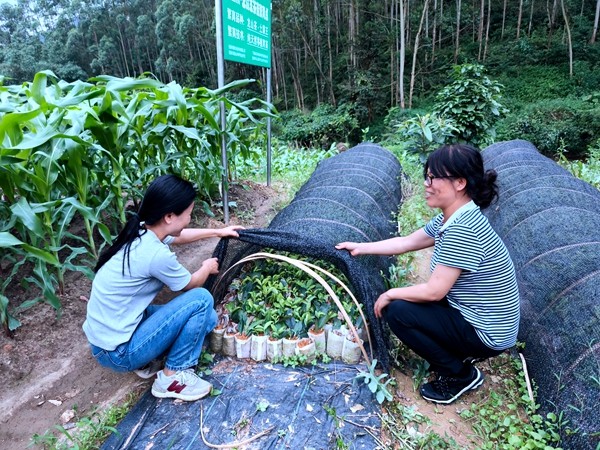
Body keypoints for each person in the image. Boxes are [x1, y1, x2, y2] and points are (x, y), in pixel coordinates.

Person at [336, 144, 520, 405]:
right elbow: (407, 242)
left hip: (488, 333)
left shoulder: (463, 229)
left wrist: (390, 293)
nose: (426, 184)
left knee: (398, 311)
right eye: (427, 176)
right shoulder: (452, 218)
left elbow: (435, 291)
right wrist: (360, 248)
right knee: (412, 303)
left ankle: (460, 375)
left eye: (434, 178)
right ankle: (458, 353)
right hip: (479, 316)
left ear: (459, 182)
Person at [83, 174, 243, 402]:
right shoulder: (155, 254)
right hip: (117, 352)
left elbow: (179, 236)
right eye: (188, 214)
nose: (189, 219)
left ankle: (150, 357)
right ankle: (172, 377)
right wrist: (206, 267)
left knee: (206, 319)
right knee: (201, 299)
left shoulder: (142, 230)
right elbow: (191, 284)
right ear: (169, 216)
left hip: (111, 334)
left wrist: (219, 231)